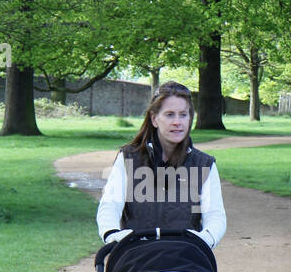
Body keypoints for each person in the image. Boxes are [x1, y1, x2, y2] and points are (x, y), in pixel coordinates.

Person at [96, 81, 226, 249]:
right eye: (170, 114)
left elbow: (215, 214)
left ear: (190, 118)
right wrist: (111, 233)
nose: (177, 122)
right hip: (136, 256)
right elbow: (111, 204)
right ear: (154, 119)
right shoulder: (129, 158)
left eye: (183, 114)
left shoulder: (204, 165)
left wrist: (207, 238)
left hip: (186, 258)